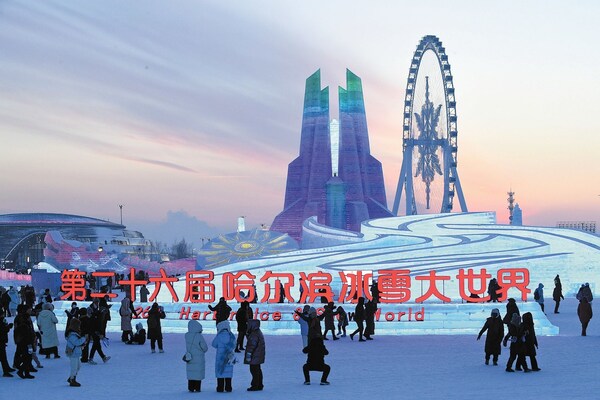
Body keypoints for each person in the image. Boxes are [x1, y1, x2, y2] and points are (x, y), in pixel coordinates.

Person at [212, 320, 236, 392]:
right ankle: (228, 387)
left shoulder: (219, 336)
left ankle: (220, 387)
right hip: (229, 357)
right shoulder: (231, 336)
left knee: (220, 371)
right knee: (228, 371)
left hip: (220, 357)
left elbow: (214, 344)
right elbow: (234, 345)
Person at [185, 320, 208, 392]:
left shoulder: (187, 335)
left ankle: (191, 387)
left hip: (190, 357)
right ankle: (197, 387)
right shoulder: (199, 336)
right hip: (198, 358)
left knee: (191, 372)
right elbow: (204, 347)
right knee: (197, 372)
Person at [13, 304, 35, 379]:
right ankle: (22, 370)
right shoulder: (23, 319)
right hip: (25, 340)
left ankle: (26, 371)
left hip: (23, 340)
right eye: (29, 309)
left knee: (27, 355)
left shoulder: (22, 318)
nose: (30, 310)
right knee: (27, 356)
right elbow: (24, 330)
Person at [65, 318, 87, 387]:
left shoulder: (75, 333)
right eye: (78, 325)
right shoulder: (72, 335)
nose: (79, 327)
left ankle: (71, 378)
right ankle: (72, 380)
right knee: (74, 367)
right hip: (73, 353)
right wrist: (84, 338)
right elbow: (76, 343)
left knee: (78, 366)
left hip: (76, 353)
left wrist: (82, 343)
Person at [244, 319, 265, 391]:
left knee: (254, 370)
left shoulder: (254, 334)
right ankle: (259, 384)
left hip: (254, 355)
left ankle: (255, 385)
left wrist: (248, 355)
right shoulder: (257, 332)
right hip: (258, 355)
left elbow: (251, 345)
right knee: (257, 369)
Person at [87, 299, 110, 364]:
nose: (97, 304)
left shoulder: (96, 310)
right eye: (97, 302)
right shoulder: (92, 310)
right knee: (96, 344)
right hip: (94, 330)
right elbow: (93, 321)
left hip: (95, 329)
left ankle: (102, 357)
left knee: (96, 344)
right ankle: (95, 358)